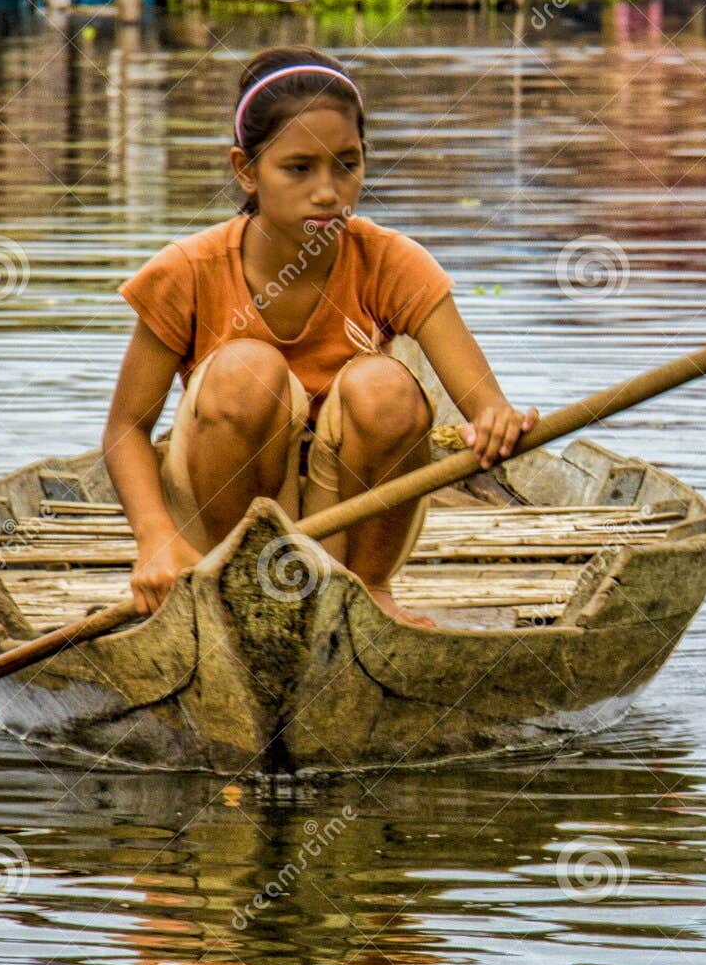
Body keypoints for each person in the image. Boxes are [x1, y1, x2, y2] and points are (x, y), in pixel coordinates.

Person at [104, 44, 538, 629]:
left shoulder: (391, 261)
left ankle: (371, 594)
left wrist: (497, 423)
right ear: (246, 170)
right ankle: (237, 589)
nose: (329, 192)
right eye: (299, 168)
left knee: (385, 385)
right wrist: (156, 539)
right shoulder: (187, 270)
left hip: (350, 528)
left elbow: (487, 407)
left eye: (347, 164)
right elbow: (125, 430)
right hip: (217, 525)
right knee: (243, 372)